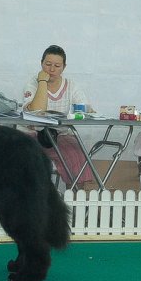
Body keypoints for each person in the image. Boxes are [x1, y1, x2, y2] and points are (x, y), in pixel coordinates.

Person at [22, 45, 95, 189]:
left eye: (57, 65)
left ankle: (75, 204)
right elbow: (37, 110)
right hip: (34, 135)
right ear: (41, 63)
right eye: (48, 64)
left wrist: (86, 109)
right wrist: (42, 82)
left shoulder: (71, 85)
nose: (51, 69)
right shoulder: (32, 83)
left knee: (76, 154)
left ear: (64, 67)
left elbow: (86, 109)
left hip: (61, 136)